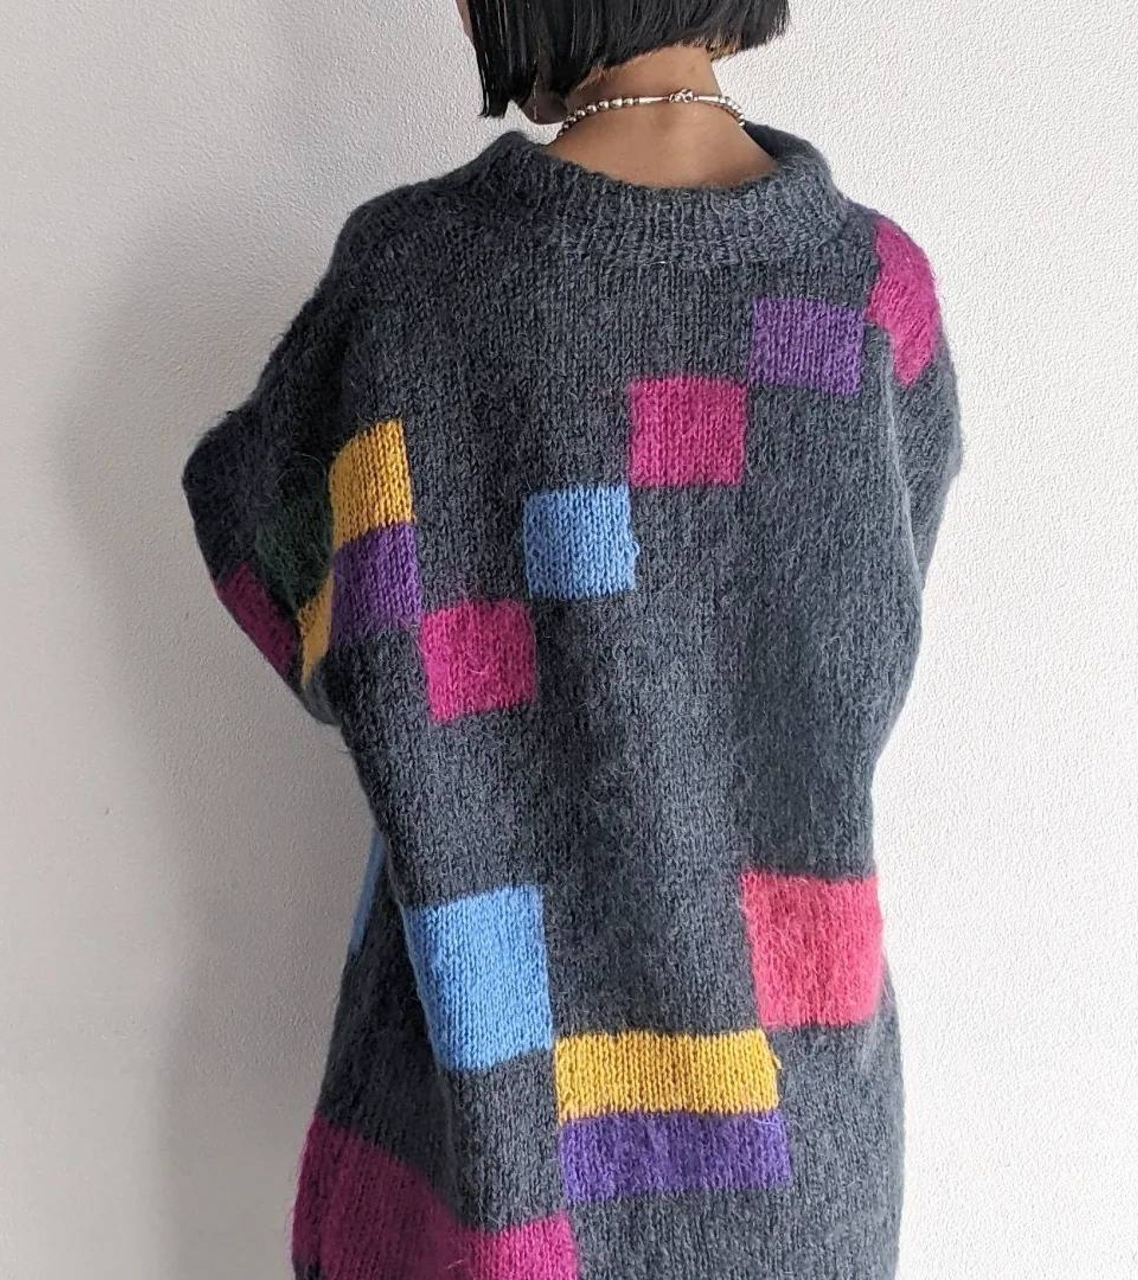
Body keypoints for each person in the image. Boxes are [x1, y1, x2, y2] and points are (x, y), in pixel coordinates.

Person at [180, 1, 963, 1276]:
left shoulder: (418, 284)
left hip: (491, 1113)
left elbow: (274, 572)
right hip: (796, 1143)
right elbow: (865, 621)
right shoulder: (873, 300)